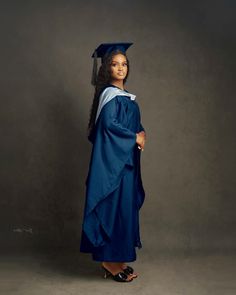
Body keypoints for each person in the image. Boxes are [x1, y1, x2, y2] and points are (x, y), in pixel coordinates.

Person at [80, 42, 146, 282]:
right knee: (113, 209)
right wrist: (134, 137)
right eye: (115, 64)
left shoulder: (125, 97)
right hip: (113, 167)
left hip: (125, 164)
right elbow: (109, 126)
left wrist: (142, 133)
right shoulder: (109, 96)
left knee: (123, 211)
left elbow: (132, 125)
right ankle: (108, 262)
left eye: (124, 64)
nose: (121, 68)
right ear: (107, 68)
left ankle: (118, 259)